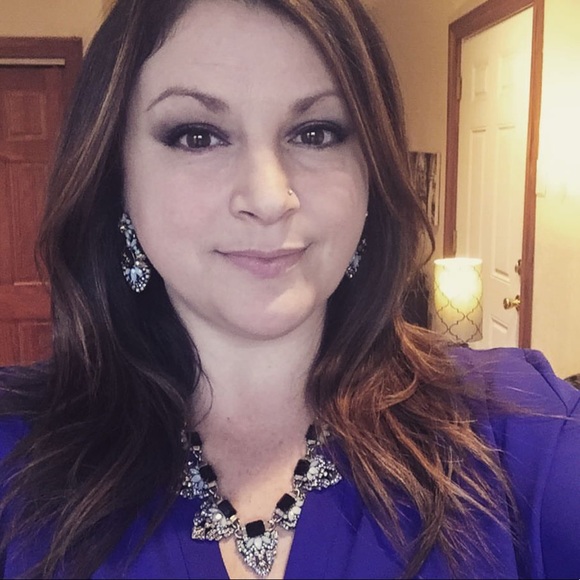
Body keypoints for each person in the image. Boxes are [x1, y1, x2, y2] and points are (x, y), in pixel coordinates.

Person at [0, 0, 578, 578]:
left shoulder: (522, 428)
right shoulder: (14, 450)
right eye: (198, 136)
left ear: (371, 172)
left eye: (315, 133)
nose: (269, 197)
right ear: (117, 175)